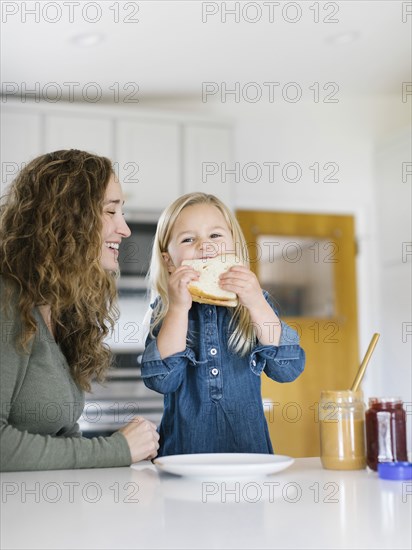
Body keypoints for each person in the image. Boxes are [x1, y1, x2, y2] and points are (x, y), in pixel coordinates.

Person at [0, 149, 159, 472]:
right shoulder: (7, 299)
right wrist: (117, 450)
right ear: (67, 218)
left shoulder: (57, 310)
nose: (125, 229)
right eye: (110, 211)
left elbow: (60, 439)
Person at [141, 192, 305, 456]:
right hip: (183, 459)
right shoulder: (166, 311)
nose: (205, 246)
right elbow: (162, 380)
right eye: (188, 239)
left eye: (215, 235)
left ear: (234, 248)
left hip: (250, 458)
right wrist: (179, 308)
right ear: (169, 261)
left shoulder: (255, 304)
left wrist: (255, 302)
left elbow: (287, 369)